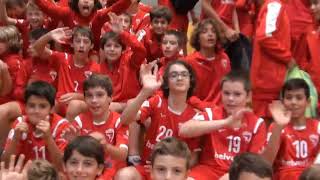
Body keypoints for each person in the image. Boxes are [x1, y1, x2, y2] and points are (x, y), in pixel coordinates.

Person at [115, 60, 204, 179]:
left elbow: (193, 157)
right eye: (174, 75)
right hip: (148, 168)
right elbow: (125, 120)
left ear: (190, 82)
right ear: (166, 82)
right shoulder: (157, 102)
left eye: (184, 74)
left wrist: (174, 170)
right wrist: (145, 92)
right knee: (124, 175)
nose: (179, 78)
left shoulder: (196, 116)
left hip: (174, 173)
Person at [179, 70, 267, 179]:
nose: (230, 99)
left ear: (248, 96)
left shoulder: (257, 124)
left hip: (238, 174)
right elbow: (184, 130)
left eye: (237, 94)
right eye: (226, 93)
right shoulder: (212, 113)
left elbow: (255, 164)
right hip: (207, 170)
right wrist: (224, 123)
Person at [65, 74, 129, 178]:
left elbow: (123, 155)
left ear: (110, 98)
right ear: (84, 99)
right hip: (87, 172)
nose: (94, 100)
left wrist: (106, 147)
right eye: (89, 96)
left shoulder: (119, 121)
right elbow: (68, 159)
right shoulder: (79, 121)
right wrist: (72, 142)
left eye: (99, 95)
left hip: (112, 171)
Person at [32, 26, 100, 116]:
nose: (81, 45)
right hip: (61, 104)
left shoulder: (96, 68)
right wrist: (49, 35)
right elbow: (37, 48)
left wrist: (78, 96)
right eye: (78, 41)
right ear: (72, 44)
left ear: (91, 46)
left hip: (81, 106)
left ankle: (64, 128)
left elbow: (98, 95)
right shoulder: (63, 59)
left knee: (74, 105)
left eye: (86, 42)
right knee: (45, 105)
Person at [1, 81, 69, 170]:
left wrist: (48, 138)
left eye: (42, 106)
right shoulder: (20, 122)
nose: (36, 111)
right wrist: (16, 138)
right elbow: (5, 165)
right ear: (25, 108)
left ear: (52, 109)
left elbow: (63, 167)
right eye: (32, 106)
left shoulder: (61, 125)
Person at [263, 79, 320, 179]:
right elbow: (266, 163)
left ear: (308, 102)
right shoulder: (275, 127)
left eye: (299, 98)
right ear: (282, 101)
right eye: (289, 98)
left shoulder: (318, 126)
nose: (293, 102)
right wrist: (278, 127)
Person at [250, 0, 294, 120]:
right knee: (265, 128)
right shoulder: (274, 5)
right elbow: (264, 36)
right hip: (267, 81)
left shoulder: (276, 6)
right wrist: (287, 57)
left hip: (268, 80)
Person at [185, 18, 230, 105]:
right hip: (198, 109)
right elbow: (187, 94)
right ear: (198, 38)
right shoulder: (189, 61)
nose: (210, 34)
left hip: (221, 109)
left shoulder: (224, 58)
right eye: (205, 32)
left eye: (213, 32)